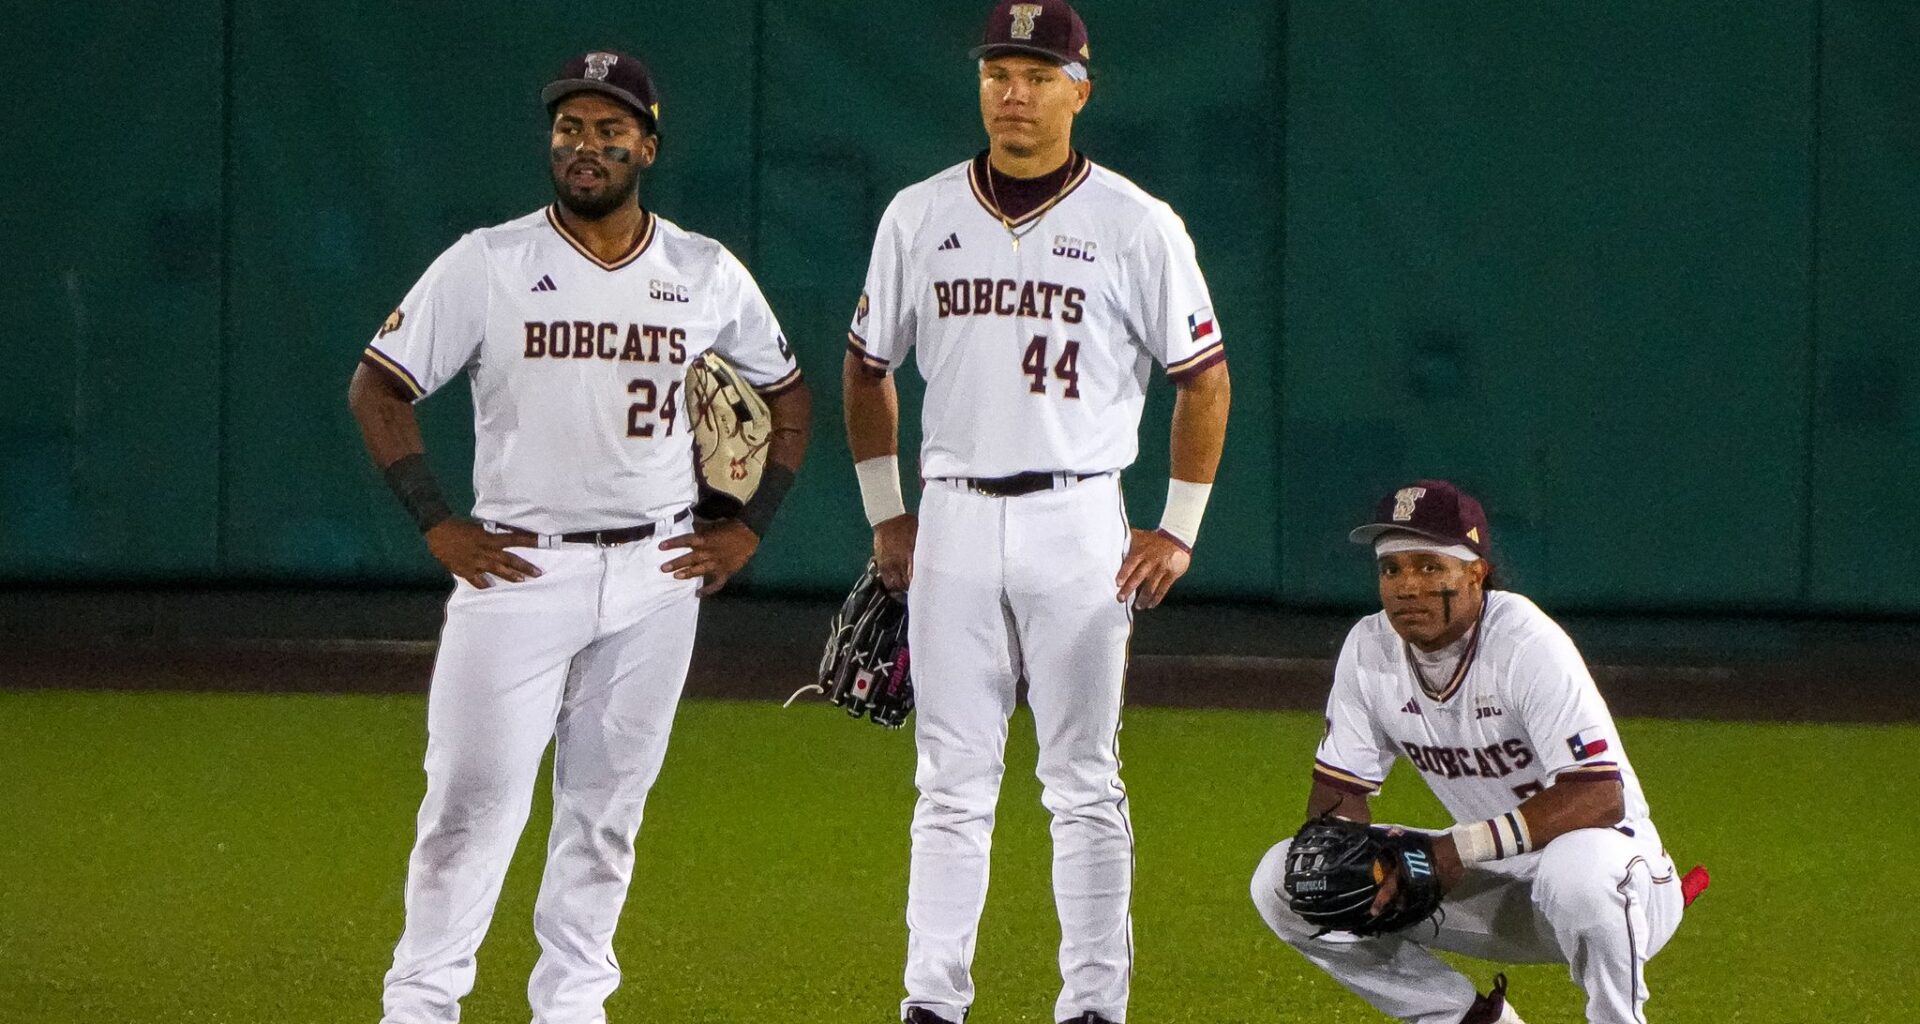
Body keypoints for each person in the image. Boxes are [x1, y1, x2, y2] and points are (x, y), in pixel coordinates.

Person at [346, 49, 809, 1024]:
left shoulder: (703, 270)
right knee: (469, 802)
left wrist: (749, 529)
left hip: (657, 571)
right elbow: (378, 384)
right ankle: (421, 1002)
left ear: (647, 142)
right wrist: (437, 519)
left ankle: (573, 1003)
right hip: (520, 565)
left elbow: (786, 390)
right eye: (569, 129)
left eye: (608, 130)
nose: (585, 146)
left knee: (605, 815)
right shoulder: (490, 261)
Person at [841, 2, 1232, 1021]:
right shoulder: (918, 214)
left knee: (1082, 781)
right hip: (954, 516)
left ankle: (1093, 1004)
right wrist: (887, 513)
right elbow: (866, 367)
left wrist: (1179, 525)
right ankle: (931, 1002)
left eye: (1037, 73)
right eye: (997, 72)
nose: (1013, 92)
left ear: (1080, 89)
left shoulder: (1136, 223)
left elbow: (1205, 376)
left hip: (1078, 520)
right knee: (951, 784)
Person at [1249, 481, 1692, 1024]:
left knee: (1576, 868)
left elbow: (1599, 797)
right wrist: (1351, 852)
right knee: (1287, 880)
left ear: (1475, 573)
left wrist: (1455, 849)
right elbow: (1339, 794)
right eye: (1391, 570)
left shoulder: (1524, 641)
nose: (1407, 586)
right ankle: (1465, 1018)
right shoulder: (1369, 646)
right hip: (1498, 892)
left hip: (1622, 887)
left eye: (1429, 567)